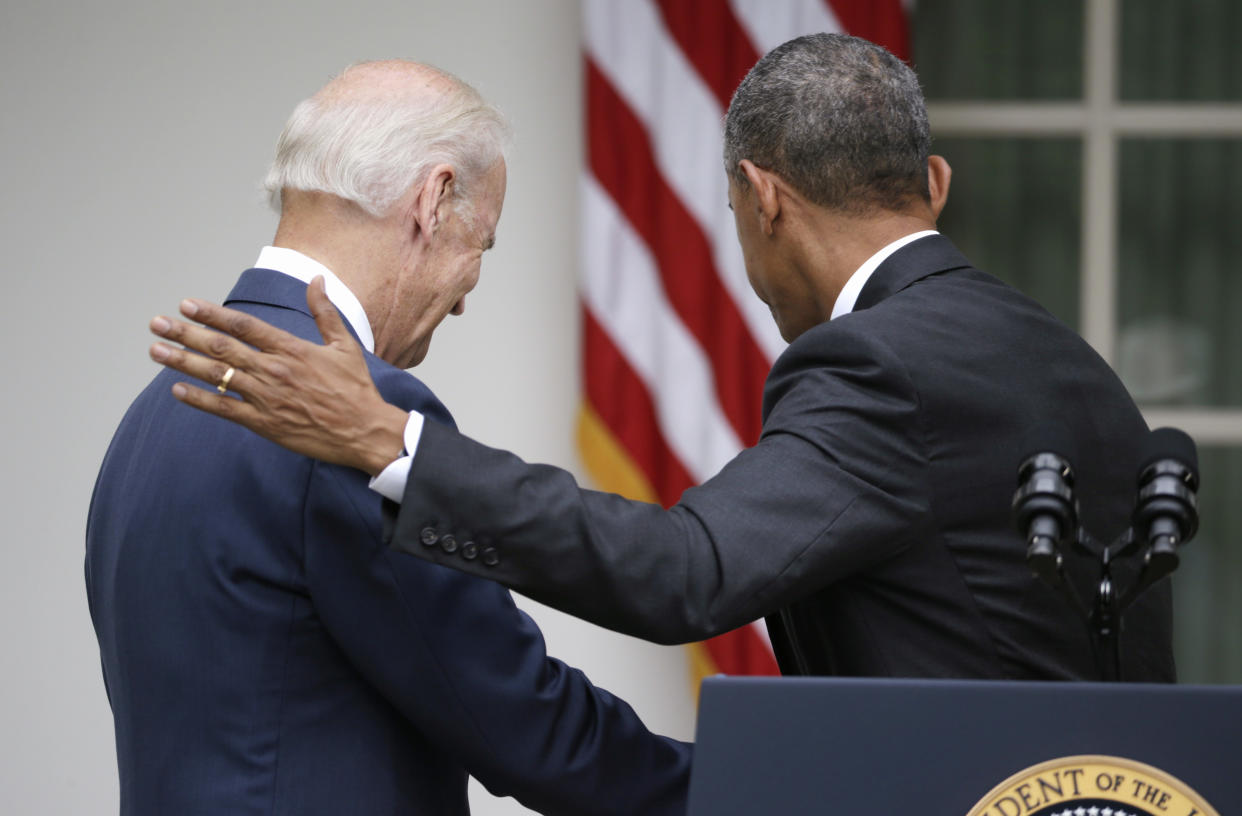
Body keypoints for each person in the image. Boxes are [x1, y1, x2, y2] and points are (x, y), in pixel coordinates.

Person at [148, 35, 1174, 682]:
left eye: (733, 214)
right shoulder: (1069, 363)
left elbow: (689, 573)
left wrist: (390, 441)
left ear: (763, 198)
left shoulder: (877, 365)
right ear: (932, 183)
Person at [87, 60, 690, 816]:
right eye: (484, 245)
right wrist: (738, 784)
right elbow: (514, 716)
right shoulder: (351, 408)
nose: (468, 297)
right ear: (433, 200)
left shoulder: (153, 415)